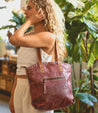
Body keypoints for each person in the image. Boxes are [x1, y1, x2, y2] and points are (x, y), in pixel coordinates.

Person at [9, 0, 67, 113]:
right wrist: (13, 95)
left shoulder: (48, 37)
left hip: (37, 90)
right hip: (21, 87)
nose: (25, 12)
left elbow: (14, 39)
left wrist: (30, 21)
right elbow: (20, 68)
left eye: (29, 8)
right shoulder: (28, 35)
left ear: (42, 12)